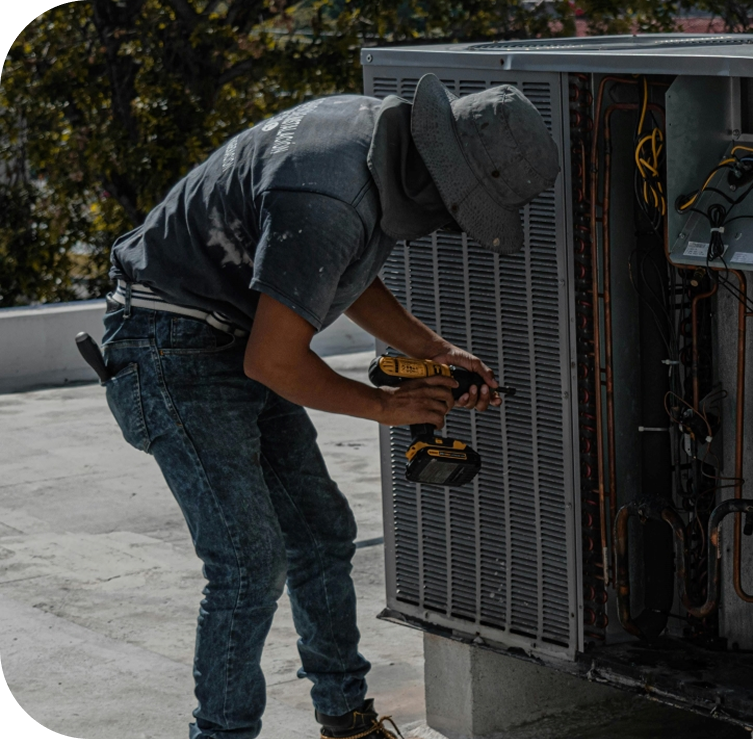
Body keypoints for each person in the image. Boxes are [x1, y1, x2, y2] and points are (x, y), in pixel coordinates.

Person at [100, 74, 560, 739]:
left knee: (320, 531)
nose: (449, 227)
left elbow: (337, 268)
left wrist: (436, 348)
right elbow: (273, 361)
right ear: (441, 181)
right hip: (166, 346)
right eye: (461, 211)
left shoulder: (368, 138)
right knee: (247, 561)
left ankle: (345, 719)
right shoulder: (329, 197)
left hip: (222, 328)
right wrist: (388, 407)